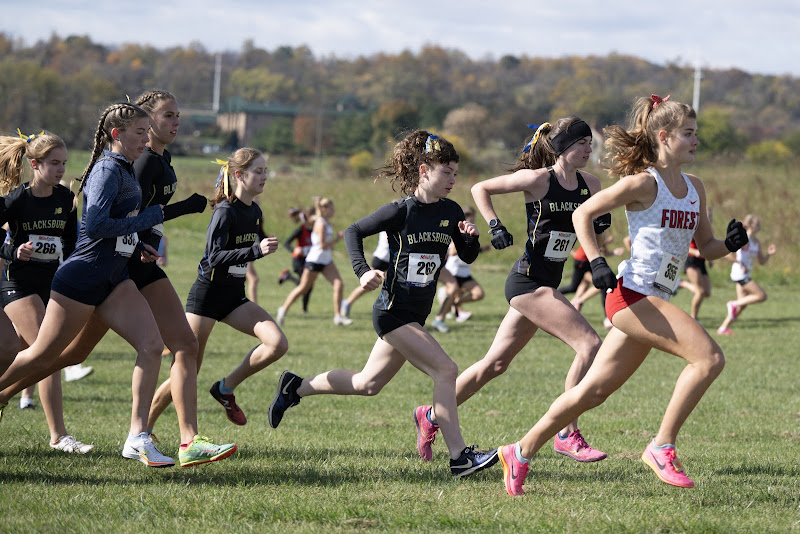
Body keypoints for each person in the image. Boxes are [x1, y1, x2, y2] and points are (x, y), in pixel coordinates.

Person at [494, 94, 749, 496]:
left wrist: (729, 244)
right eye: (688, 133)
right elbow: (582, 213)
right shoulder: (643, 182)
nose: (696, 140)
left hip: (655, 298)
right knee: (709, 358)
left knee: (592, 392)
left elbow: (707, 247)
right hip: (630, 296)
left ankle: (519, 451)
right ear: (664, 137)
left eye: (695, 133)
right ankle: (661, 447)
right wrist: (596, 261)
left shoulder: (695, 188)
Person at [268, 130, 498, 478]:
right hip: (393, 312)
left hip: (416, 315)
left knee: (367, 384)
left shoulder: (451, 211)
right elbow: (352, 232)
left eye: (455, 173)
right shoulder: (401, 210)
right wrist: (362, 272)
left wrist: (470, 240)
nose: (453, 179)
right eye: (446, 172)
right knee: (446, 370)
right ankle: (460, 457)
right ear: (424, 171)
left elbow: (466, 256)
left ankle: (295, 386)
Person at [0, 102, 200, 468]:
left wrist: (137, 246)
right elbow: (94, 226)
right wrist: (147, 218)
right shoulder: (107, 169)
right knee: (43, 355)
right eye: (139, 133)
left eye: (146, 133)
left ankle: (137, 437)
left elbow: (116, 224)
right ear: (116, 134)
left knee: (152, 345)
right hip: (84, 276)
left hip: (115, 277)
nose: (146, 139)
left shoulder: (124, 167)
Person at [414, 118, 610, 466]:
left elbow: (595, 222)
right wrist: (495, 225)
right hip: (528, 281)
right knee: (590, 344)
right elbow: (480, 189)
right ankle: (567, 433)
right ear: (562, 147)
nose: (588, 149)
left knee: (494, 365)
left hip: (546, 282)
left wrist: (601, 223)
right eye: (581, 142)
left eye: (589, 143)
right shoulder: (538, 179)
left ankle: (431, 415)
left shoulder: (590, 184)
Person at [161, 147, 287, 428]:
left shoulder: (255, 211)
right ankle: (143, 428)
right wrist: (256, 251)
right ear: (239, 175)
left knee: (277, 344)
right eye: (258, 171)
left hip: (234, 298)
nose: (264, 176)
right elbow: (213, 257)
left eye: (265, 171)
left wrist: (264, 244)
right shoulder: (224, 211)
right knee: (186, 373)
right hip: (207, 297)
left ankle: (225, 388)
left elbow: (251, 241)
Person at [0, 130, 92, 453]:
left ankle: (3, 395)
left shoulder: (66, 199)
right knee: (46, 350)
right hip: (18, 284)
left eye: (64, 163)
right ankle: (58, 436)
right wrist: (14, 252)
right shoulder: (17, 199)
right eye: (54, 163)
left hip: (51, 285)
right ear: (35, 164)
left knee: (26, 352)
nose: (61, 169)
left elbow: (71, 242)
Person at [276, 197, 351, 326]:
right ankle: (283, 310)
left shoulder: (325, 222)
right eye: (331, 209)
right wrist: (337, 240)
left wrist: (332, 244)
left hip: (326, 260)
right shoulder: (321, 224)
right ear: (324, 209)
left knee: (338, 284)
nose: (334, 211)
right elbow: (322, 245)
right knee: (303, 288)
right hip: (315, 260)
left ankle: (338, 317)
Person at [716, 214, 776, 335]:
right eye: (757, 224)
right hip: (740, 274)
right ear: (750, 225)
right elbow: (728, 254)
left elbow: (761, 261)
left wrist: (769, 254)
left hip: (745, 274)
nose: (759, 226)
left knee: (743, 304)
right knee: (761, 296)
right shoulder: (744, 239)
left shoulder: (756, 242)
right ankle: (733, 303)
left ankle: (723, 328)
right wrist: (740, 263)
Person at [430, 207, 488, 332]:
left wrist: (477, 246)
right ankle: (440, 318)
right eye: (471, 218)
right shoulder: (456, 230)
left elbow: (471, 251)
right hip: (453, 271)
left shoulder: (471, 230)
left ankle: (454, 303)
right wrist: (464, 241)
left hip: (465, 273)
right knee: (454, 290)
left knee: (479, 294)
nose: (473, 221)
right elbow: (451, 251)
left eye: (474, 218)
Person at [340, 230, 390, 318]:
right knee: (368, 284)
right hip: (382, 258)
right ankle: (347, 303)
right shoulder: (390, 223)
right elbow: (388, 239)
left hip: (391, 259)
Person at [278, 207, 315, 312]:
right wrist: (294, 249)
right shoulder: (300, 230)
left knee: (308, 285)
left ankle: (304, 309)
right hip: (298, 260)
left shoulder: (316, 230)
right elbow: (286, 243)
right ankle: (304, 310)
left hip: (308, 260)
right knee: (306, 284)